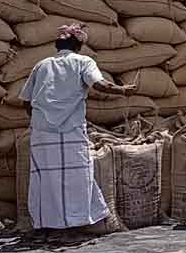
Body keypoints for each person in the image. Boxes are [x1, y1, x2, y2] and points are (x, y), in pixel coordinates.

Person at [19, 23, 137, 234]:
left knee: (45, 177)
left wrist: (40, 120)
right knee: (78, 175)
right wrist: (123, 90)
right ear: (79, 45)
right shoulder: (84, 61)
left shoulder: (41, 65)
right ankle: (79, 223)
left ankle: (49, 225)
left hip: (42, 131)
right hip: (70, 129)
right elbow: (100, 84)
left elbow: (26, 101)